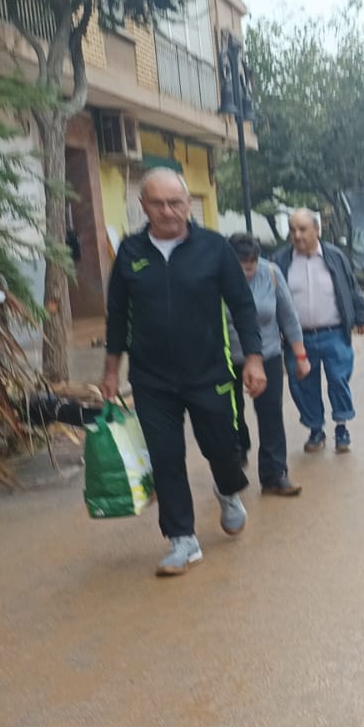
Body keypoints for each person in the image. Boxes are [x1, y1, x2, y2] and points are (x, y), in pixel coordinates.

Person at [101, 168, 265, 576]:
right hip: (152, 379)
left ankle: (228, 490)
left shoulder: (214, 248)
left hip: (209, 370)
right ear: (144, 207)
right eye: (158, 203)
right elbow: (118, 315)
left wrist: (256, 360)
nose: (168, 211)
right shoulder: (130, 252)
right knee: (166, 456)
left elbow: (243, 306)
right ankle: (182, 540)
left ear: (188, 203)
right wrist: (110, 371)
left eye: (176, 202)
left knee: (224, 448)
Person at [272, 208, 364, 454]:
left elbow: (351, 287)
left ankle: (341, 426)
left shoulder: (335, 256)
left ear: (317, 230)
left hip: (334, 332)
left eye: (303, 229)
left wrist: (362, 315)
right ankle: (316, 428)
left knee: (338, 379)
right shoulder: (281, 260)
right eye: (292, 229)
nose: (297, 235)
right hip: (297, 339)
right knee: (302, 384)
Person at [227, 232, 309, 496]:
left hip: (267, 356)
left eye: (251, 267)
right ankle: (234, 460)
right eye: (242, 268)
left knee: (271, 414)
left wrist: (300, 356)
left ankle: (274, 474)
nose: (247, 273)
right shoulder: (214, 277)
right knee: (228, 416)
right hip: (225, 358)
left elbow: (288, 317)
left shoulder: (271, 274)